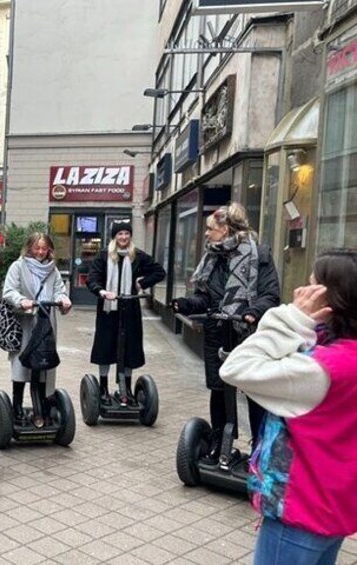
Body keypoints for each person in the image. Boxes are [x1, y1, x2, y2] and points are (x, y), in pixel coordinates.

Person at [220, 249, 357, 565]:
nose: (301, 292)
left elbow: (235, 368)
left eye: (311, 285)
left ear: (328, 299)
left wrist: (292, 317)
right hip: (334, 507)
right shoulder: (344, 352)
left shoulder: (320, 370)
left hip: (301, 512)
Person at [172, 203, 280, 460]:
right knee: (219, 390)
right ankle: (220, 443)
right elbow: (206, 299)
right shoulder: (213, 258)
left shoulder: (259, 255)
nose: (206, 234)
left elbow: (270, 294)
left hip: (248, 335)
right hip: (218, 333)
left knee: (253, 392)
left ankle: (258, 450)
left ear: (226, 229)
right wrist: (186, 304)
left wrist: (253, 311)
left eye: (210, 229)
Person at [87, 220, 166, 405]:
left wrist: (141, 283)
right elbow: (92, 279)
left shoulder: (137, 256)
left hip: (130, 310)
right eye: (120, 234)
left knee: (129, 347)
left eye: (126, 234)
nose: (123, 237)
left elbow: (159, 272)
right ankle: (104, 388)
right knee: (105, 347)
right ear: (114, 237)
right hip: (109, 310)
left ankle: (127, 389)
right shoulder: (104, 256)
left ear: (130, 236)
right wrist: (102, 291)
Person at [2, 232, 72, 423]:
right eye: (37, 248)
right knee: (21, 364)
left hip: (46, 321)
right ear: (30, 248)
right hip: (25, 322)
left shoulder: (53, 270)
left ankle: (41, 407)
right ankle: (16, 407)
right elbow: (9, 290)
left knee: (44, 361)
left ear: (49, 249)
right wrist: (21, 300)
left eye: (44, 248)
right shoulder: (18, 266)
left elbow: (59, 290)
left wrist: (63, 299)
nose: (40, 252)